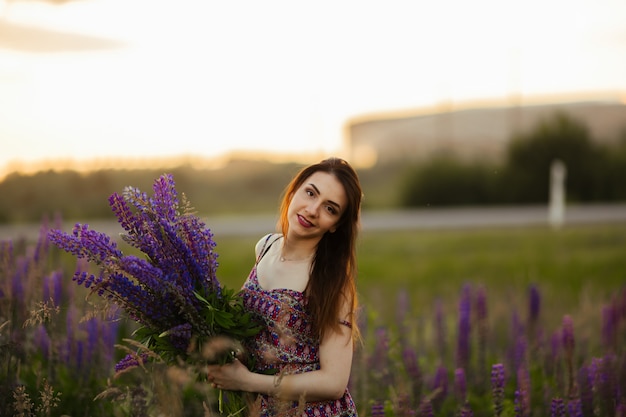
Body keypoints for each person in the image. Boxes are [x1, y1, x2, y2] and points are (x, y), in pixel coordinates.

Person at [206, 157, 362, 417]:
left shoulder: (332, 280)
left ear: (336, 225)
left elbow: (334, 383)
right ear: (295, 190)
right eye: (310, 193)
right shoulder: (266, 246)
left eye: (330, 209)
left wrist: (246, 381)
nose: (312, 209)